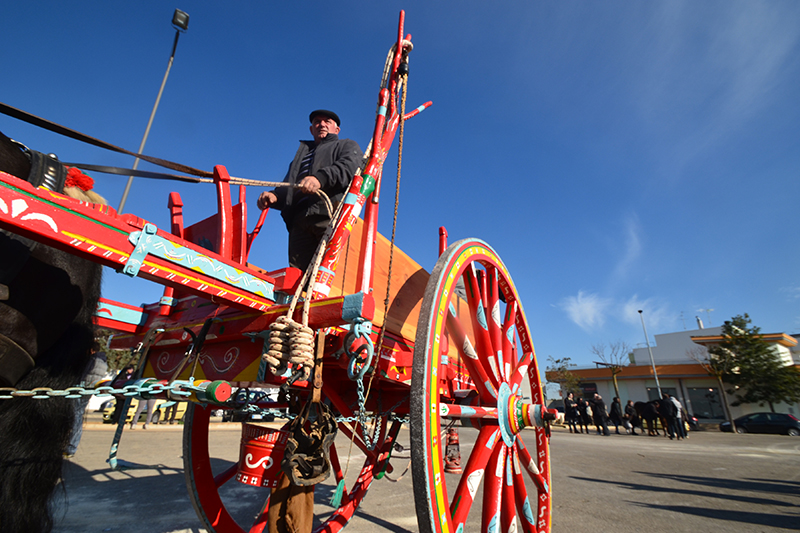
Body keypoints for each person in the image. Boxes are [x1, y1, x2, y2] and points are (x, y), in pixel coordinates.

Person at [257, 110, 364, 271]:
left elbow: (350, 168)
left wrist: (319, 179)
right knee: (298, 275)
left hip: (328, 215)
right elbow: (288, 185)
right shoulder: (299, 159)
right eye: (317, 122)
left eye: (327, 121)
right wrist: (274, 195)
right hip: (298, 221)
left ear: (337, 129)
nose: (321, 124)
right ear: (311, 129)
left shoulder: (346, 145)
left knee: (327, 272)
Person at [65, 341, 108, 458]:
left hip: (81, 388)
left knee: (74, 415)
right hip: (90, 390)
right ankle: (72, 446)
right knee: (78, 415)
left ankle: (70, 445)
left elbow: (82, 374)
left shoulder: (92, 359)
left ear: (91, 350)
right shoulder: (103, 362)